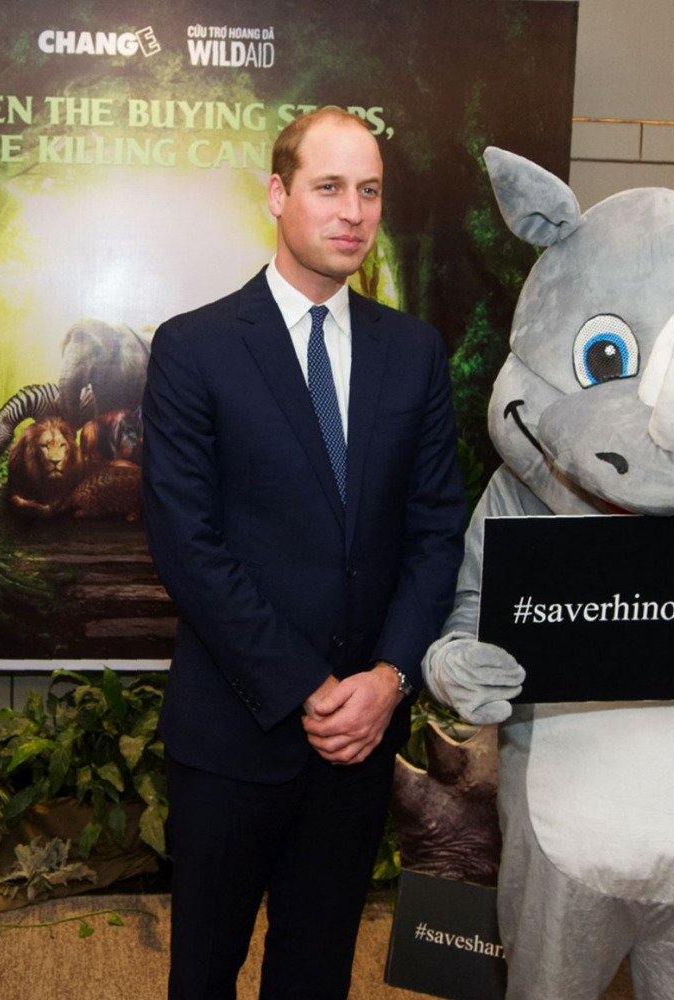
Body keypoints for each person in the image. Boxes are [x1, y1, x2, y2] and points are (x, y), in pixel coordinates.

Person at [141, 106, 468, 999]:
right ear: (278, 195)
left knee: (316, 977)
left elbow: (437, 531)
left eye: (370, 191)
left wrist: (388, 680)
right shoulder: (195, 348)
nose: (353, 212)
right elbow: (187, 546)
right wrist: (308, 688)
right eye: (329, 188)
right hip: (232, 737)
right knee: (203, 975)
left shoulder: (414, 353)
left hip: (359, 745)